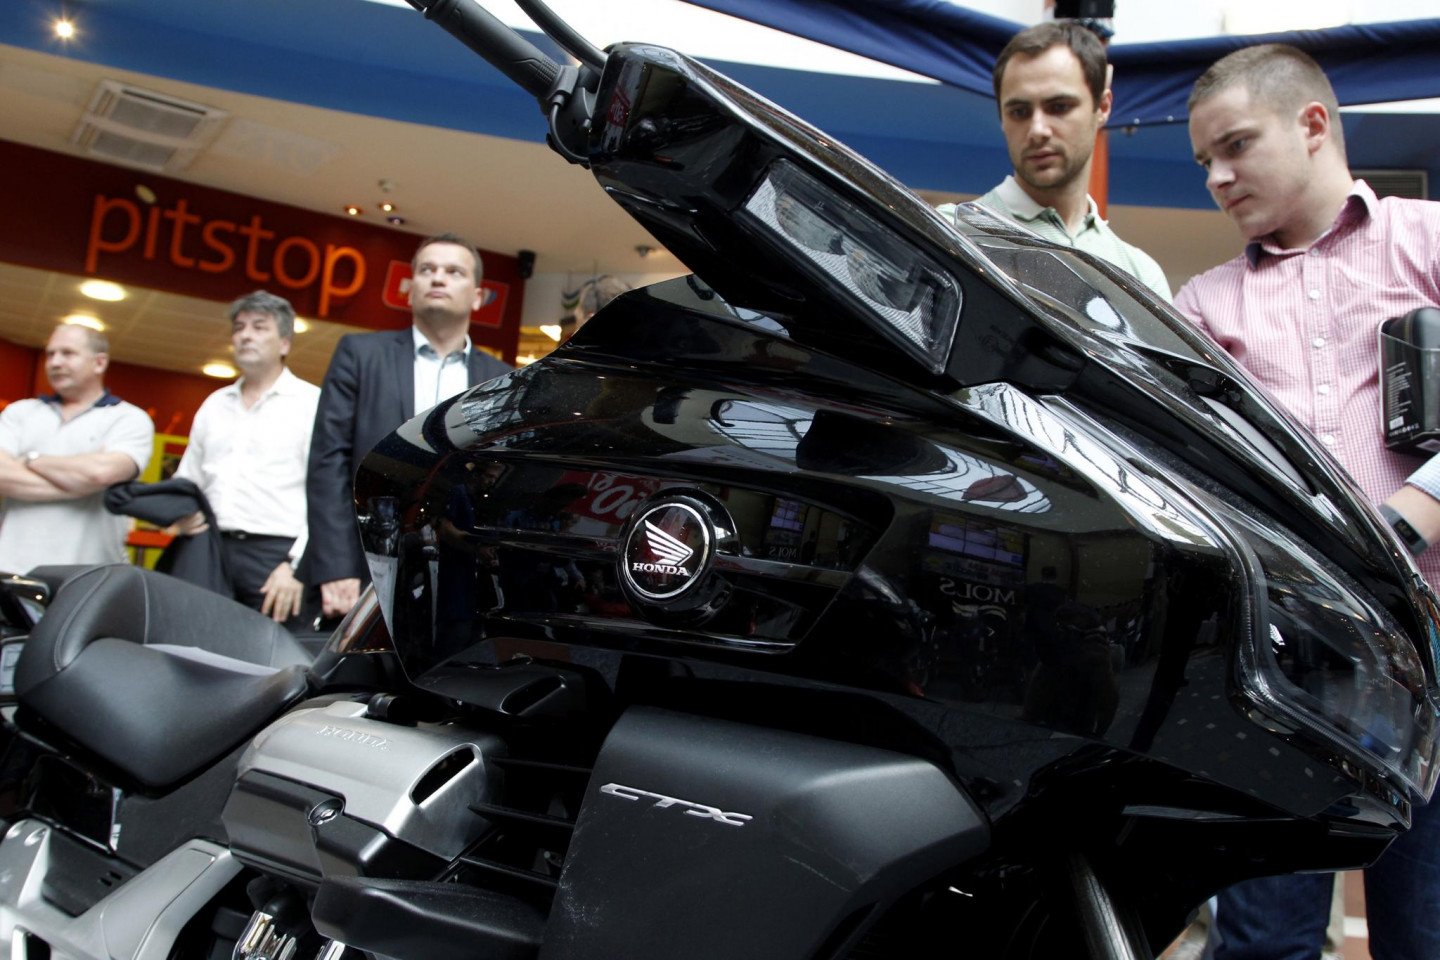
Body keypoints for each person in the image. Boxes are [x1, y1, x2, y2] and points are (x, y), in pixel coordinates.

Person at [1175, 42, 1440, 960]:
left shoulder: (1428, 240)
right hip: (1287, 659)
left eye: (1236, 145)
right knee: (1260, 943)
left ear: (1314, 124)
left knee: (1427, 933)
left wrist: (1418, 511)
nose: (1217, 176)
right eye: (1203, 160)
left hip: (1439, 639)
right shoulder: (1202, 307)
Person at [303, 233, 512, 619]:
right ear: (410, 287)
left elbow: (499, 482)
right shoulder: (359, 355)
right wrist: (334, 567)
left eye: (454, 271)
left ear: (477, 297)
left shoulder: (501, 381)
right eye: (427, 269)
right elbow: (327, 464)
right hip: (360, 567)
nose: (438, 278)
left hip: (460, 577)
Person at [938, 21, 1171, 300]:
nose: (1037, 130)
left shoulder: (1141, 275)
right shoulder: (949, 230)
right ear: (1002, 117)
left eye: (1059, 107)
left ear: (1102, 107)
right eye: (1019, 111)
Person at [169, 291, 320, 624]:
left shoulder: (312, 404)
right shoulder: (214, 404)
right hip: (207, 548)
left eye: (259, 327)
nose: (245, 335)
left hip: (277, 558)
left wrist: (297, 565)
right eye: (239, 328)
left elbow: (326, 495)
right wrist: (179, 514)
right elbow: (188, 479)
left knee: (272, 654)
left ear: (284, 343)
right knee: (188, 644)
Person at [0, 324, 154, 572]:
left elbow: (101, 473)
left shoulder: (129, 418)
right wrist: (80, 486)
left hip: (90, 575)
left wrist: (30, 459)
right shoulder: (20, 412)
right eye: (50, 354)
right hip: (11, 569)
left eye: (68, 353)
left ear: (99, 363)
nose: (55, 362)